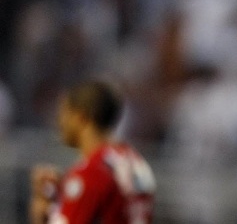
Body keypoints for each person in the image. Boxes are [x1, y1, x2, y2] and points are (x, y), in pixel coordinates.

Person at [29, 80, 156, 224]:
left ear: (81, 117)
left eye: (64, 112)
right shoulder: (137, 163)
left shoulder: (90, 174)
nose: (59, 121)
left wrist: (40, 213)